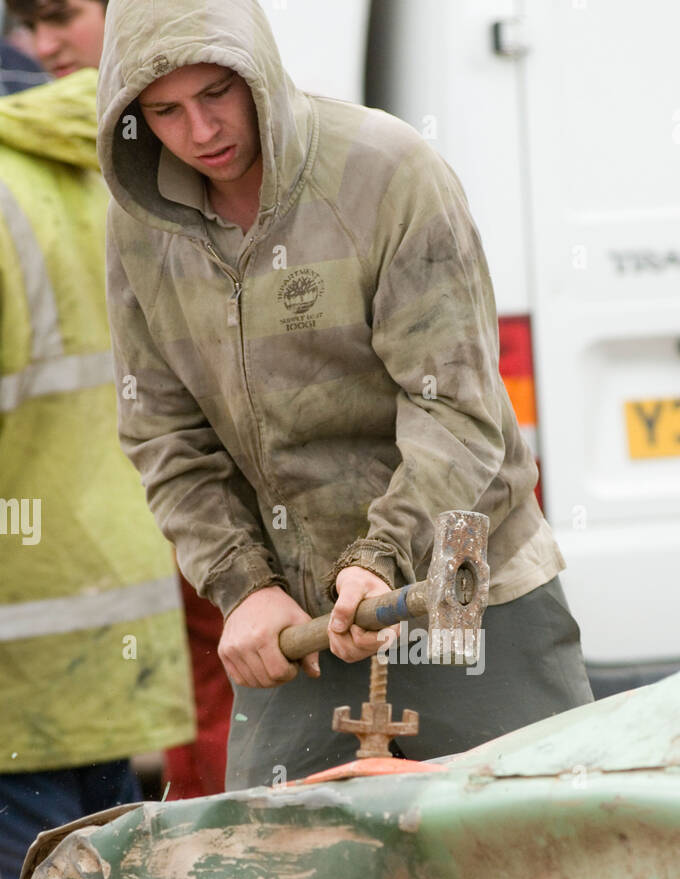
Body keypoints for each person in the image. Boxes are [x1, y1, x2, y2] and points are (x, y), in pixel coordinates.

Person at [97, 0, 594, 794]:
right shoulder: (138, 226)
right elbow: (164, 434)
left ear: (256, 68)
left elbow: (454, 408)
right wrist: (243, 587)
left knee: (529, 842)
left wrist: (381, 559)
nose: (200, 131)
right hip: (297, 616)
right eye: (165, 111)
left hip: (466, 568)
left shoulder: (387, 171)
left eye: (217, 93)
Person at [0, 8, 194, 879]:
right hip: (113, 571)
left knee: (36, 869)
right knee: (95, 857)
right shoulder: (109, 160)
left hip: (22, 601)